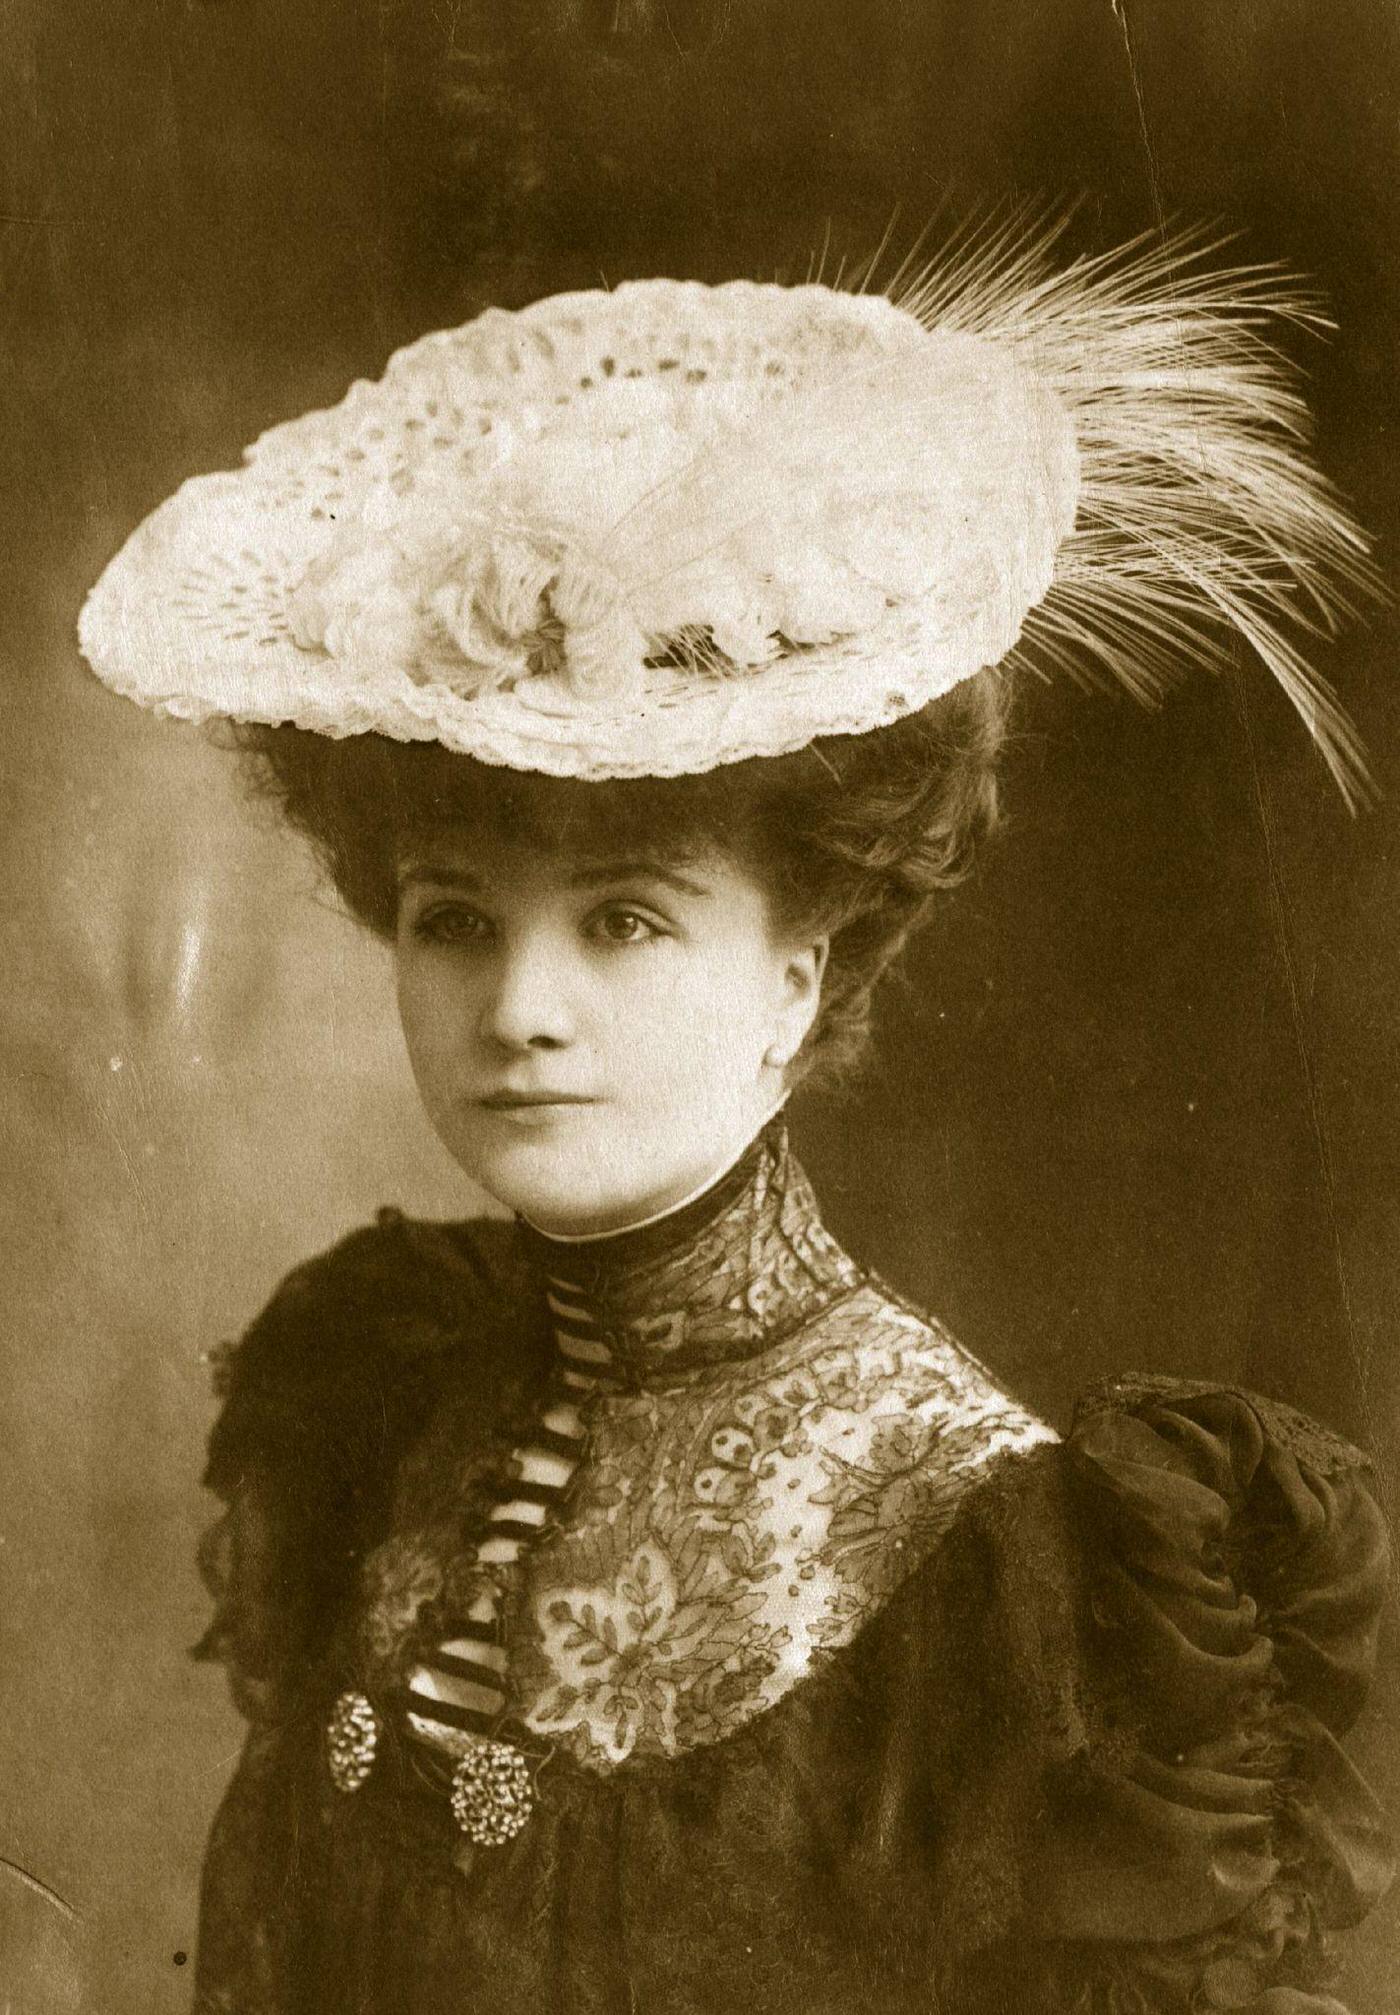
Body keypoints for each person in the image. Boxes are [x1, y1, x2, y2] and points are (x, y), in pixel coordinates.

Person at [80, 228, 1394, 2013]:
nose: (520, 1007)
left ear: (803, 965)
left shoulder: (1001, 1565)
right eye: (453, 917)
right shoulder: (383, 1400)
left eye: (625, 920)